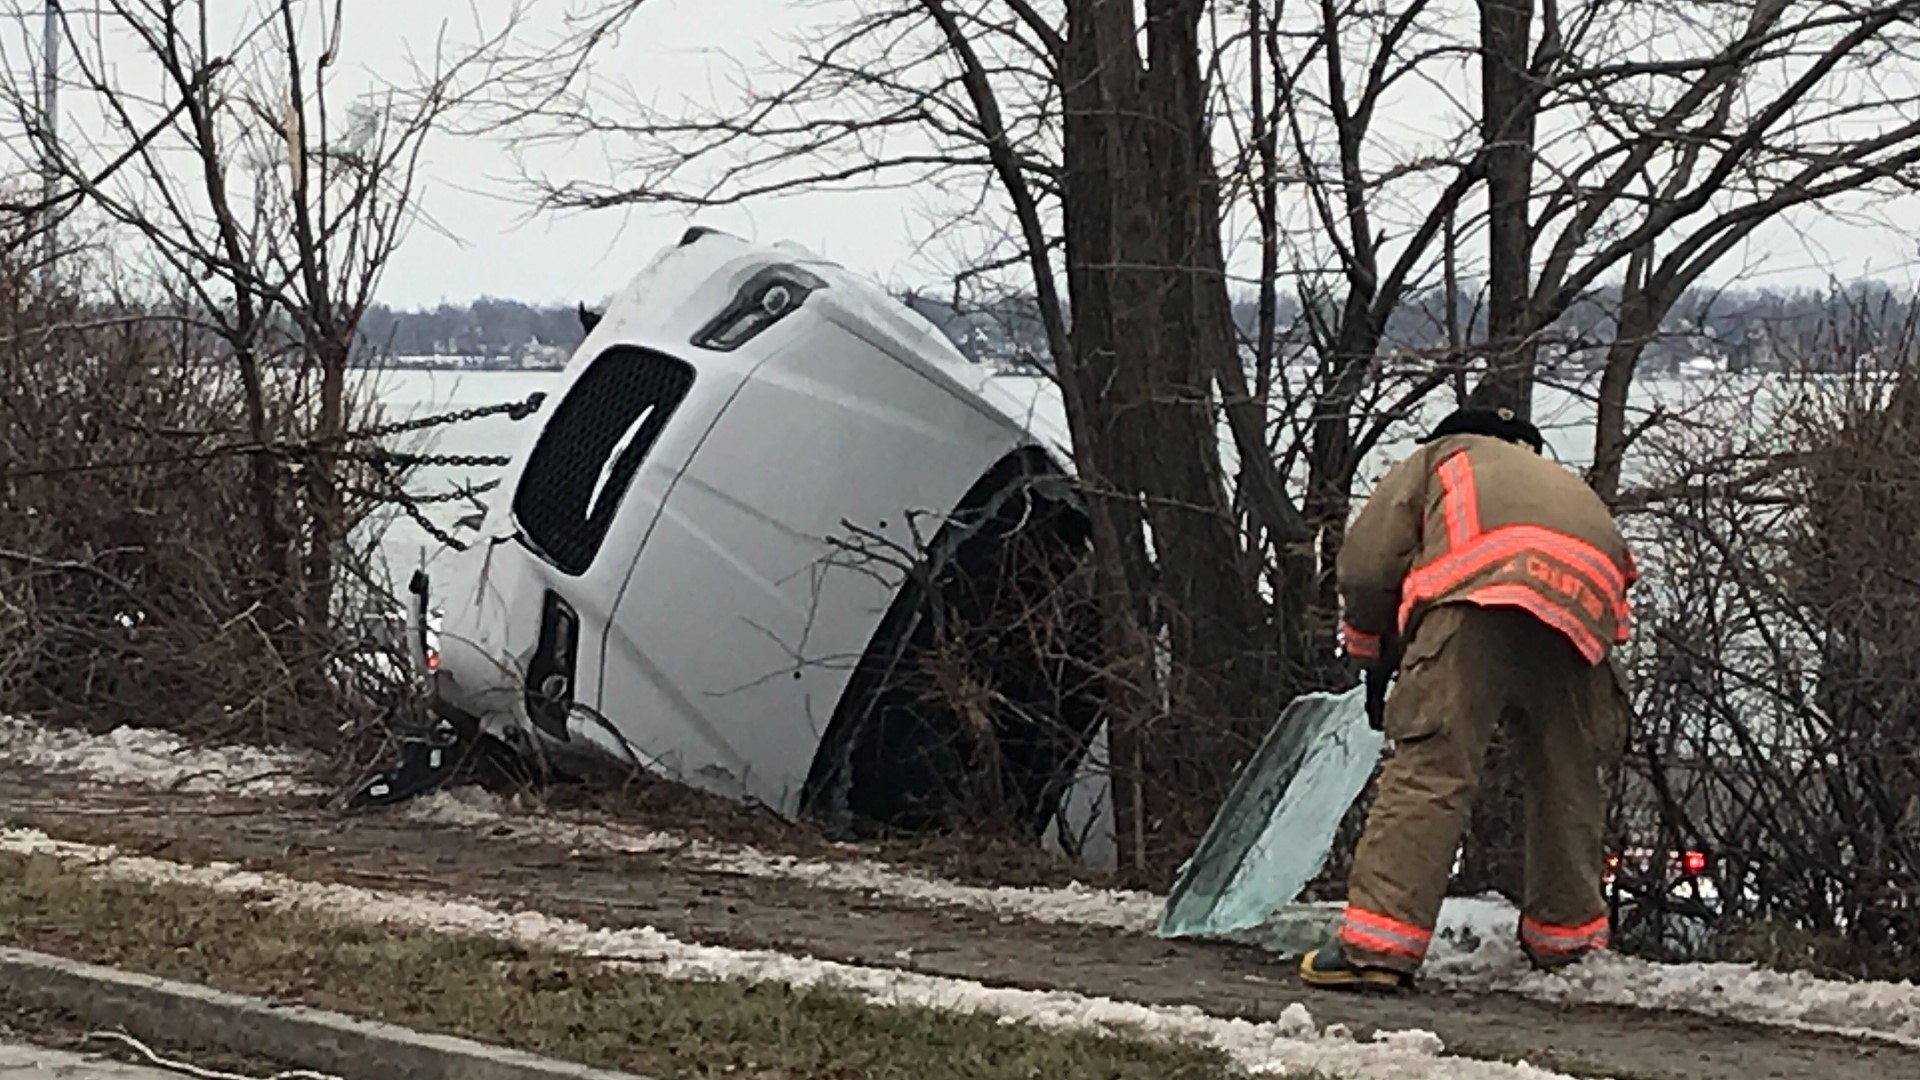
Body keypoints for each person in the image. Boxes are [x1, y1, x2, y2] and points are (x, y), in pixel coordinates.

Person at [1298, 406, 1637, 993]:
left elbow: (1368, 566)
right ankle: (1569, 944)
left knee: (1431, 766)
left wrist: (1371, 652)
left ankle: (1376, 949)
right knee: (1568, 778)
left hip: (1474, 603)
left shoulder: (1436, 460)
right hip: (1583, 610)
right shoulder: (1563, 484)